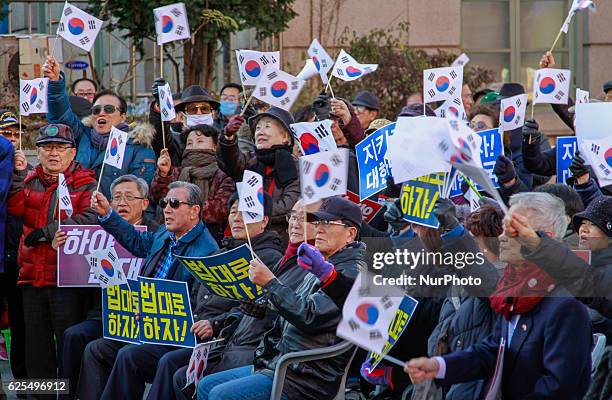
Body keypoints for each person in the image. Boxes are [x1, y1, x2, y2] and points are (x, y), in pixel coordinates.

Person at [405, 192, 593, 400]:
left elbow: (558, 388)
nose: (501, 237)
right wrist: (439, 366)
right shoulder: (514, 295)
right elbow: (495, 351)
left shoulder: (564, 306)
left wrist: (452, 231)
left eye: (512, 229)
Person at [197, 196, 366, 400]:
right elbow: (296, 307)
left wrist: (270, 283)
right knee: (206, 386)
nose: (319, 229)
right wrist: (262, 306)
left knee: (219, 394)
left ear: (350, 234)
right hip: (280, 362)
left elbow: (309, 316)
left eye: (328, 223)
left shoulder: (350, 272)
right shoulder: (323, 261)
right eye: (318, 222)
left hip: (303, 376)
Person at [150, 196, 308, 400]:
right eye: (234, 212)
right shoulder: (222, 250)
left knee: (192, 379)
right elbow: (196, 295)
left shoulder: (271, 260)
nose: (237, 218)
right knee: (165, 366)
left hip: (245, 345)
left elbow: (297, 314)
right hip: (217, 335)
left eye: (246, 214)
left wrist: (216, 324)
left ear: (264, 221)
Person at [78, 181, 219, 400]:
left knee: (128, 356)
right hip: (144, 323)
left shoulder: (206, 252)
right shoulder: (165, 232)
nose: (167, 209)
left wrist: (157, 311)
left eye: (174, 203)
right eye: (164, 203)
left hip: (171, 334)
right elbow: (136, 241)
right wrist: (108, 214)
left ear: (194, 211)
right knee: (97, 349)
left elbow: (198, 306)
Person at [8, 124, 98, 383]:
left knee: (69, 348)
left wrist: (49, 231)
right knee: (36, 349)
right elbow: (14, 209)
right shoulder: (28, 179)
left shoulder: (85, 181)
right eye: (47, 147)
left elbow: (91, 217)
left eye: (60, 147)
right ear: (38, 152)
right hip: (31, 277)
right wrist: (16, 176)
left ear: (72, 153)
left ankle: (72, 395)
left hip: (68, 279)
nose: (53, 153)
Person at [58, 175, 159, 399]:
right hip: (105, 313)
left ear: (144, 203)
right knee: (74, 335)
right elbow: (76, 270)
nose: (122, 202)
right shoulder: (96, 231)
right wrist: (62, 246)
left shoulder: (156, 235)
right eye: (117, 197)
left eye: (129, 197)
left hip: (140, 316)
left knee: (102, 349)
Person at [44, 55, 156, 198]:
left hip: (116, 214)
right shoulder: (81, 135)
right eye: (96, 110)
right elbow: (59, 115)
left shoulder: (138, 145)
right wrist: (55, 83)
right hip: (79, 213)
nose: (101, 113)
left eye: (109, 109)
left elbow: (140, 189)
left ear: (123, 116)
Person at [218, 107, 300, 244]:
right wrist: (228, 138)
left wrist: (252, 213)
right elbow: (229, 162)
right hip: (243, 236)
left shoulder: (296, 168)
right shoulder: (250, 160)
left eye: (267, 126)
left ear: (285, 136)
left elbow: (288, 206)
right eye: (257, 128)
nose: (260, 131)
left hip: (278, 240)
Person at [151, 124, 234, 242]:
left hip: (209, 238)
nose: (194, 146)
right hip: (171, 237)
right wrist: (163, 175)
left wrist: (183, 211)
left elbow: (220, 209)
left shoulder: (222, 175)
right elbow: (157, 197)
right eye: (189, 143)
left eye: (200, 141)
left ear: (214, 147)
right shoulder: (176, 172)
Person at [150, 80, 220, 163]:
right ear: (183, 117)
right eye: (192, 109)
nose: (199, 113)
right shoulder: (176, 144)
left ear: (212, 114)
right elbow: (160, 136)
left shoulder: (224, 142)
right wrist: (160, 104)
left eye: (204, 108)